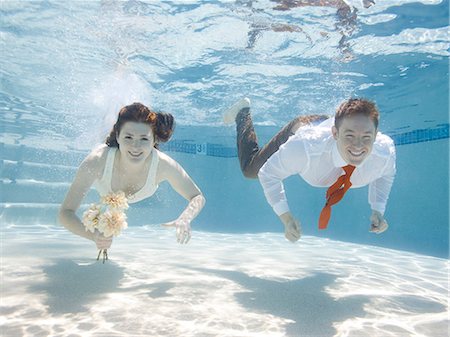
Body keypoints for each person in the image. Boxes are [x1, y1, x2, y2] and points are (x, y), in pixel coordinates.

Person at [223, 97, 395, 242]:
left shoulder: (384, 152)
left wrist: (378, 210)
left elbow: (386, 175)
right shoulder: (304, 148)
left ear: (375, 134)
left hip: (330, 128)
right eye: (350, 136)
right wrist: (286, 217)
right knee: (251, 170)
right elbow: (268, 173)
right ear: (335, 134)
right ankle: (242, 112)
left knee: (350, 136)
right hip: (307, 128)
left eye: (366, 137)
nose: (358, 145)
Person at [59, 102, 205, 250]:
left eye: (144, 139)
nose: (136, 146)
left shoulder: (163, 165)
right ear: (117, 136)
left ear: (154, 140)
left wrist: (186, 218)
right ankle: (108, 115)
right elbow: (66, 213)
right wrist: (94, 236)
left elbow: (197, 196)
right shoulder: (96, 161)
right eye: (128, 137)